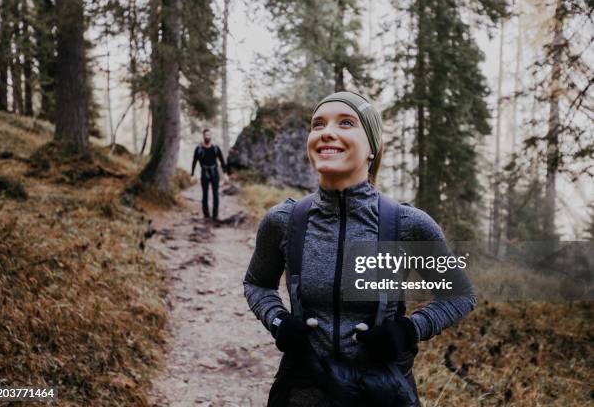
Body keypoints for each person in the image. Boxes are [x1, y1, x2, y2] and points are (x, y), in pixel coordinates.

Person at [243, 91, 478, 406]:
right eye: (318, 124)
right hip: (303, 390)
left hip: (382, 393)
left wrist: (408, 331)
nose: (327, 132)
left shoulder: (408, 225)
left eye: (346, 123)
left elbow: (460, 295)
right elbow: (257, 284)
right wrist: (278, 321)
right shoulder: (283, 221)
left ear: (372, 148)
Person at [191, 128, 229, 221]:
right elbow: (194, 162)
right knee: (205, 194)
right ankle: (206, 215)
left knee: (215, 194)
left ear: (211, 136)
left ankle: (215, 215)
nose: (207, 136)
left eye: (209, 135)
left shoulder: (216, 148)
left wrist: (225, 173)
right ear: (203, 136)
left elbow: (222, 161)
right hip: (204, 172)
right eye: (206, 135)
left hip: (214, 172)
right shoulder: (199, 149)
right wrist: (192, 174)